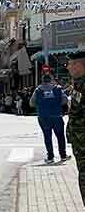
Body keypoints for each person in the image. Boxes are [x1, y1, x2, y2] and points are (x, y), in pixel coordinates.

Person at [30, 74, 69, 163]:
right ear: (51, 80)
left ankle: (50, 157)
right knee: (60, 136)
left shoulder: (38, 90)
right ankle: (63, 155)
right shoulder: (58, 89)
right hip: (57, 116)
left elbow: (32, 103)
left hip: (44, 117)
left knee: (47, 136)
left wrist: (41, 104)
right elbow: (65, 100)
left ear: (42, 80)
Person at [66, 51, 85, 206]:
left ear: (79, 65)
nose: (68, 67)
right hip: (80, 143)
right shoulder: (77, 84)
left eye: (71, 64)